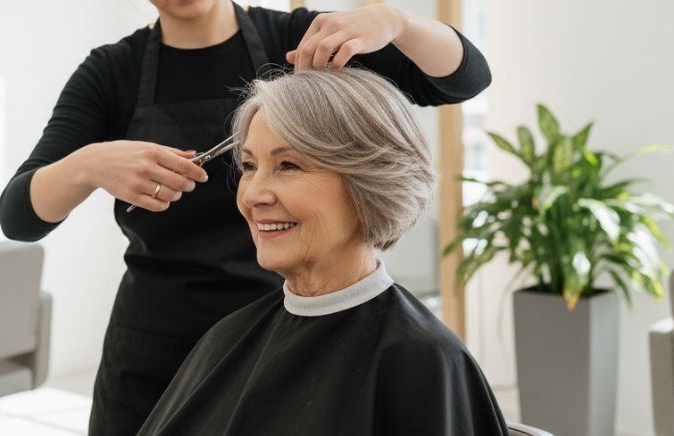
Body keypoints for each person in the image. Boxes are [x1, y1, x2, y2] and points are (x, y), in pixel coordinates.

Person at [0, 0, 492, 435]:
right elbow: (19, 215)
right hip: (155, 352)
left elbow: (465, 78)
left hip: (291, 338)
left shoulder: (299, 45)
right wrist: (88, 164)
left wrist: (399, 23)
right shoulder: (113, 74)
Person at [138, 69, 508, 435]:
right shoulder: (226, 338)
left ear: (370, 184)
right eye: (250, 166)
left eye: (289, 165)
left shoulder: (421, 360)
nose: (253, 195)